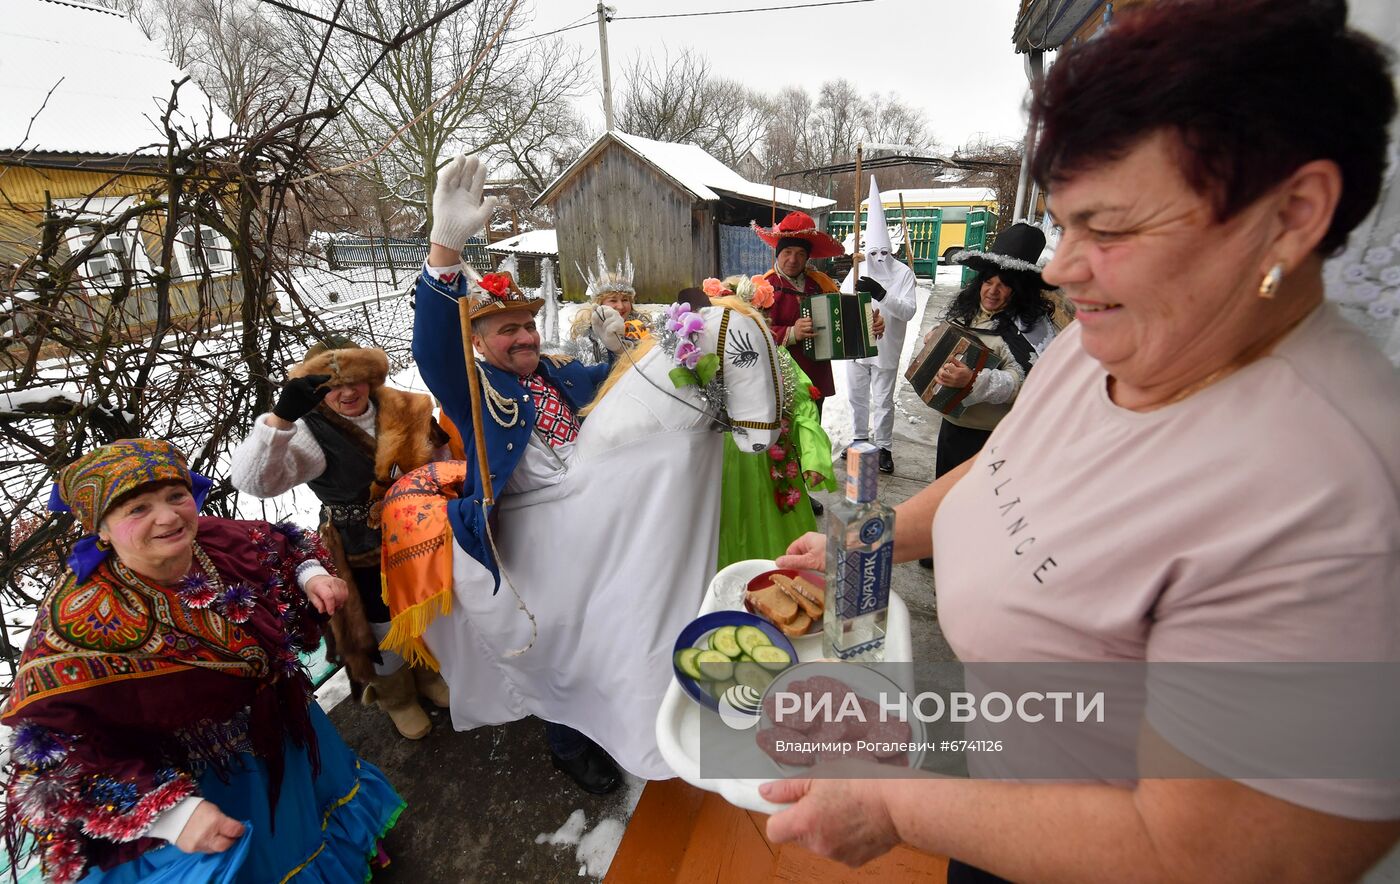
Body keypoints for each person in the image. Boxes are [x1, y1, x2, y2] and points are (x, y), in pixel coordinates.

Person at [765, 2, 1400, 880]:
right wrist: (867, 542)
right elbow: (1005, 464)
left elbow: (1202, 855)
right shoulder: (1109, 343)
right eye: (1066, 224)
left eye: (1109, 229)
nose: (1059, 269)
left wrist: (892, 804)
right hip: (998, 802)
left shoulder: (1331, 497)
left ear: (1292, 214)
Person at [1, 439, 404, 884]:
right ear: (101, 529)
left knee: (313, 808)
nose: (169, 516)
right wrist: (174, 814)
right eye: (137, 508)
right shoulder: (80, 617)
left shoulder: (215, 538)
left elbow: (285, 545)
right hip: (212, 776)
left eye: (176, 496)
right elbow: (48, 748)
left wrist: (311, 576)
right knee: (268, 854)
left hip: (290, 724)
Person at [404, 153, 621, 794]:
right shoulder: (469, 385)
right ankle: (566, 742)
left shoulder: (557, 373)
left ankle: (609, 714)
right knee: (558, 647)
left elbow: (618, 384)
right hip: (526, 542)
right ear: (479, 341)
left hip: (594, 530)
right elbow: (432, 347)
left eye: (528, 325)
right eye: (507, 330)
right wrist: (445, 250)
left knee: (606, 630)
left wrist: (616, 344)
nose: (524, 337)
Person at [230, 340, 451, 741]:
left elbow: (441, 459)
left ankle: (429, 673)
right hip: (358, 546)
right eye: (332, 385)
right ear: (316, 389)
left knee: (422, 608)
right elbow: (253, 483)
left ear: (371, 377)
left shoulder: (406, 407)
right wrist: (279, 420)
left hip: (418, 534)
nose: (347, 393)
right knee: (382, 624)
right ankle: (398, 697)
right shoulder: (311, 432)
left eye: (356, 381)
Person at [694, 275, 838, 569]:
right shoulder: (700, 362)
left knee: (771, 529)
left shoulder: (779, 360)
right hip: (718, 465)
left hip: (768, 460)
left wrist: (813, 455)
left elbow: (802, 407)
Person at [754, 210, 884, 515]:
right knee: (779, 435)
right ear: (778, 253)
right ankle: (772, 491)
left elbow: (845, 318)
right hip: (780, 377)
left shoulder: (820, 284)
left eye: (800, 254)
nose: (793, 260)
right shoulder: (762, 287)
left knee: (807, 435)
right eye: (787, 252)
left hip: (813, 378)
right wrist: (790, 332)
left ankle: (798, 488)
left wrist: (870, 325)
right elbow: (751, 333)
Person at [842, 177, 922, 474]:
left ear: (892, 250)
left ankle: (884, 447)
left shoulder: (903, 275)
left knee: (883, 401)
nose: (878, 258)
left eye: (883, 253)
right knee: (856, 397)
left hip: (886, 350)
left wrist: (882, 294)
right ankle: (859, 440)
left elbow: (909, 310)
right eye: (873, 252)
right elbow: (841, 304)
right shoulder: (856, 270)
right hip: (857, 347)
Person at [566, 248, 649, 364]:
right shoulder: (589, 337)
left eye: (625, 300)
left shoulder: (643, 326)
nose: (620, 306)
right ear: (599, 303)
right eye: (613, 300)